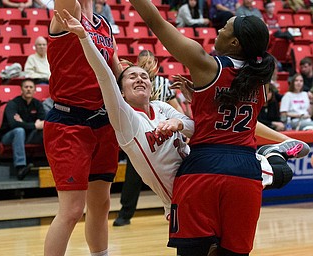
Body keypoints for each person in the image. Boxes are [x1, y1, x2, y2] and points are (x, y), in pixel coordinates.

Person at [56, 10, 310, 249]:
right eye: (131, 77)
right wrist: (84, 38)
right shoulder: (124, 117)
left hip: (199, 174)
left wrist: (182, 118)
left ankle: (274, 154)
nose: (140, 79)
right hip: (181, 188)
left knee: (279, 176)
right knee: (275, 174)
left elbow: (197, 126)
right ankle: (274, 154)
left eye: (143, 76)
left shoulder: (163, 108)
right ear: (120, 91)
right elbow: (104, 76)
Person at [126, 1, 299, 254]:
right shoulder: (261, 83)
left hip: (203, 168)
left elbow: (156, 22)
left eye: (226, 28)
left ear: (235, 43)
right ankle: (273, 156)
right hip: (245, 172)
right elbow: (234, 109)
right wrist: (199, 98)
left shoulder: (206, 65)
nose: (218, 30)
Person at [43, 0, 122, 255]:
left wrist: (137, 82)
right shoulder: (70, 11)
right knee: (72, 210)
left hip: (103, 121)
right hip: (70, 123)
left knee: (101, 203)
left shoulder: (104, 24)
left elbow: (115, 68)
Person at [113, 49, 185, 227]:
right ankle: (126, 213)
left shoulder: (163, 85)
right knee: (133, 177)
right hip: (141, 133)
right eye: (142, 62)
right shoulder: (130, 84)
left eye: (149, 63)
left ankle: (178, 208)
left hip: (165, 131)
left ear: (155, 65)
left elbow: (177, 109)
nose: (146, 65)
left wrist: (182, 124)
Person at [0, 78, 45, 180]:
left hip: (29, 135)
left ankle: (51, 164)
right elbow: (14, 124)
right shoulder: (13, 104)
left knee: (47, 131)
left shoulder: (37, 104)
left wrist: (22, 123)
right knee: (19, 130)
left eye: (31, 87)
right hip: (8, 136)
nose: (28, 89)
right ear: (21, 90)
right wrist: (34, 125)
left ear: (34, 90)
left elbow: (44, 122)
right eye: (26, 87)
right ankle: (20, 168)